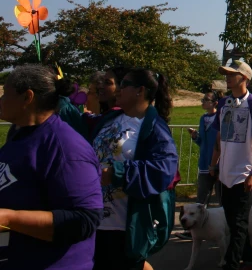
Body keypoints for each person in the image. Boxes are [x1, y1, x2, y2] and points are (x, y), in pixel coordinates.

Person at [0, 65, 103, 270]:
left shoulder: (66, 148)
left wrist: (8, 217)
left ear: (27, 97)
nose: (0, 100)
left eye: (5, 94)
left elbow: (84, 220)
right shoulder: (20, 134)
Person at [91, 68, 178, 270]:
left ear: (140, 90)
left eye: (124, 85)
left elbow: (164, 169)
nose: (119, 89)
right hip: (95, 221)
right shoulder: (110, 119)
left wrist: (117, 173)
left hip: (124, 227)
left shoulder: (154, 127)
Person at [209, 60, 252, 270]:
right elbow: (218, 137)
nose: (227, 78)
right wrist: (213, 164)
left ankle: (232, 264)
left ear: (244, 78)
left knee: (240, 222)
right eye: (226, 74)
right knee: (232, 221)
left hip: (243, 174)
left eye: (231, 74)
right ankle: (249, 258)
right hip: (224, 174)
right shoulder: (224, 103)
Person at [189, 90, 223, 206]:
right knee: (202, 199)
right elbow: (202, 142)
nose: (203, 102)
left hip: (219, 164)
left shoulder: (220, 118)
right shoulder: (203, 119)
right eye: (203, 99)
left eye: (206, 100)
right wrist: (195, 137)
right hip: (204, 163)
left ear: (215, 103)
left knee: (221, 198)